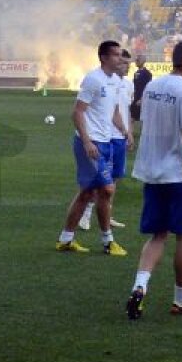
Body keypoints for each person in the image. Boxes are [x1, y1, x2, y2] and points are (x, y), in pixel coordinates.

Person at [126, 38, 182, 320]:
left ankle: (139, 287)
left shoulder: (153, 86)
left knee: (158, 235)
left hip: (153, 172)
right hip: (181, 173)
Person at [54, 40, 130, 256]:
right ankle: (108, 242)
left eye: (120, 54)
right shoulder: (93, 79)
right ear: (104, 58)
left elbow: (113, 111)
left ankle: (66, 239)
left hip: (106, 142)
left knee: (87, 193)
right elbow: (77, 112)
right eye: (115, 55)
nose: (120, 58)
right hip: (91, 143)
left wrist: (124, 131)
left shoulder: (116, 81)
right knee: (107, 190)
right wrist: (87, 141)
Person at [81, 50, 131, 231]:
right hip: (105, 138)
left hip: (119, 139)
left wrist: (128, 133)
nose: (126, 66)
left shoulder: (126, 85)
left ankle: (107, 214)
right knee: (101, 180)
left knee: (114, 179)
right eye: (123, 61)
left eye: (128, 63)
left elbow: (124, 113)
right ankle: (86, 214)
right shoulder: (98, 81)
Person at [131, 54, 153, 124]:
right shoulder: (136, 73)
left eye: (138, 60)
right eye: (136, 60)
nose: (136, 61)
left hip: (141, 99)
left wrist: (142, 99)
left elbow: (148, 88)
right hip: (135, 98)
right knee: (132, 119)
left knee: (142, 120)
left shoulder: (147, 73)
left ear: (143, 61)